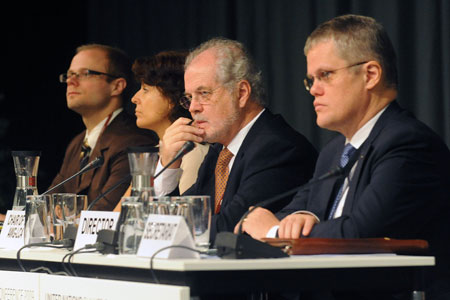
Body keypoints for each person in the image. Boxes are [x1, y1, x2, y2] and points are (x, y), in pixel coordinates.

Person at [238, 15, 450, 300]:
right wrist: (299, 217)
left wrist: (276, 232)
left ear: (370, 75)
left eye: (325, 75)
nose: (314, 89)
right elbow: (297, 208)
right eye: (311, 79)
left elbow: (361, 232)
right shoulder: (333, 152)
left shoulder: (409, 144)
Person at [156, 38, 318, 243]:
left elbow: (230, 228)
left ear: (241, 93)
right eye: (189, 97)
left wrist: (161, 230)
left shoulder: (278, 148)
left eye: (204, 93)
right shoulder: (219, 153)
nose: (192, 108)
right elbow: (183, 217)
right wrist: (169, 165)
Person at [49, 44, 158, 211]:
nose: (71, 81)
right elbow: (46, 206)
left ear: (117, 86)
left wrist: (59, 218)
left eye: (85, 73)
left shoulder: (134, 142)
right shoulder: (77, 143)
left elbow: (104, 216)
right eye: (70, 74)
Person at [114, 51, 209, 209]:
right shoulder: (154, 154)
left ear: (172, 98)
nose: (134, 98)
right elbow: (121, 217)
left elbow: (191, 219)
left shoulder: (192, 151)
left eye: (145, 89)